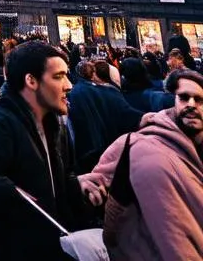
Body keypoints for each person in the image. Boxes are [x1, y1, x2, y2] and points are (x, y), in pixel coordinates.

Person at [0, 41, 97, 261]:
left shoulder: (56, 125)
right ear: (31, 80)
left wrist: (78, 185)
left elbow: (59, 175)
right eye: (58, 76)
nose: (69, 85)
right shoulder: (1, 122)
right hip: (14, 249)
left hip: (49, 245)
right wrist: (17, 195)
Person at [87, 68, 203, 259]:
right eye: (184, 97)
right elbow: (98, 178)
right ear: (173, 100)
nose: (191, 104)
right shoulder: (138, 145)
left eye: (199, 100)